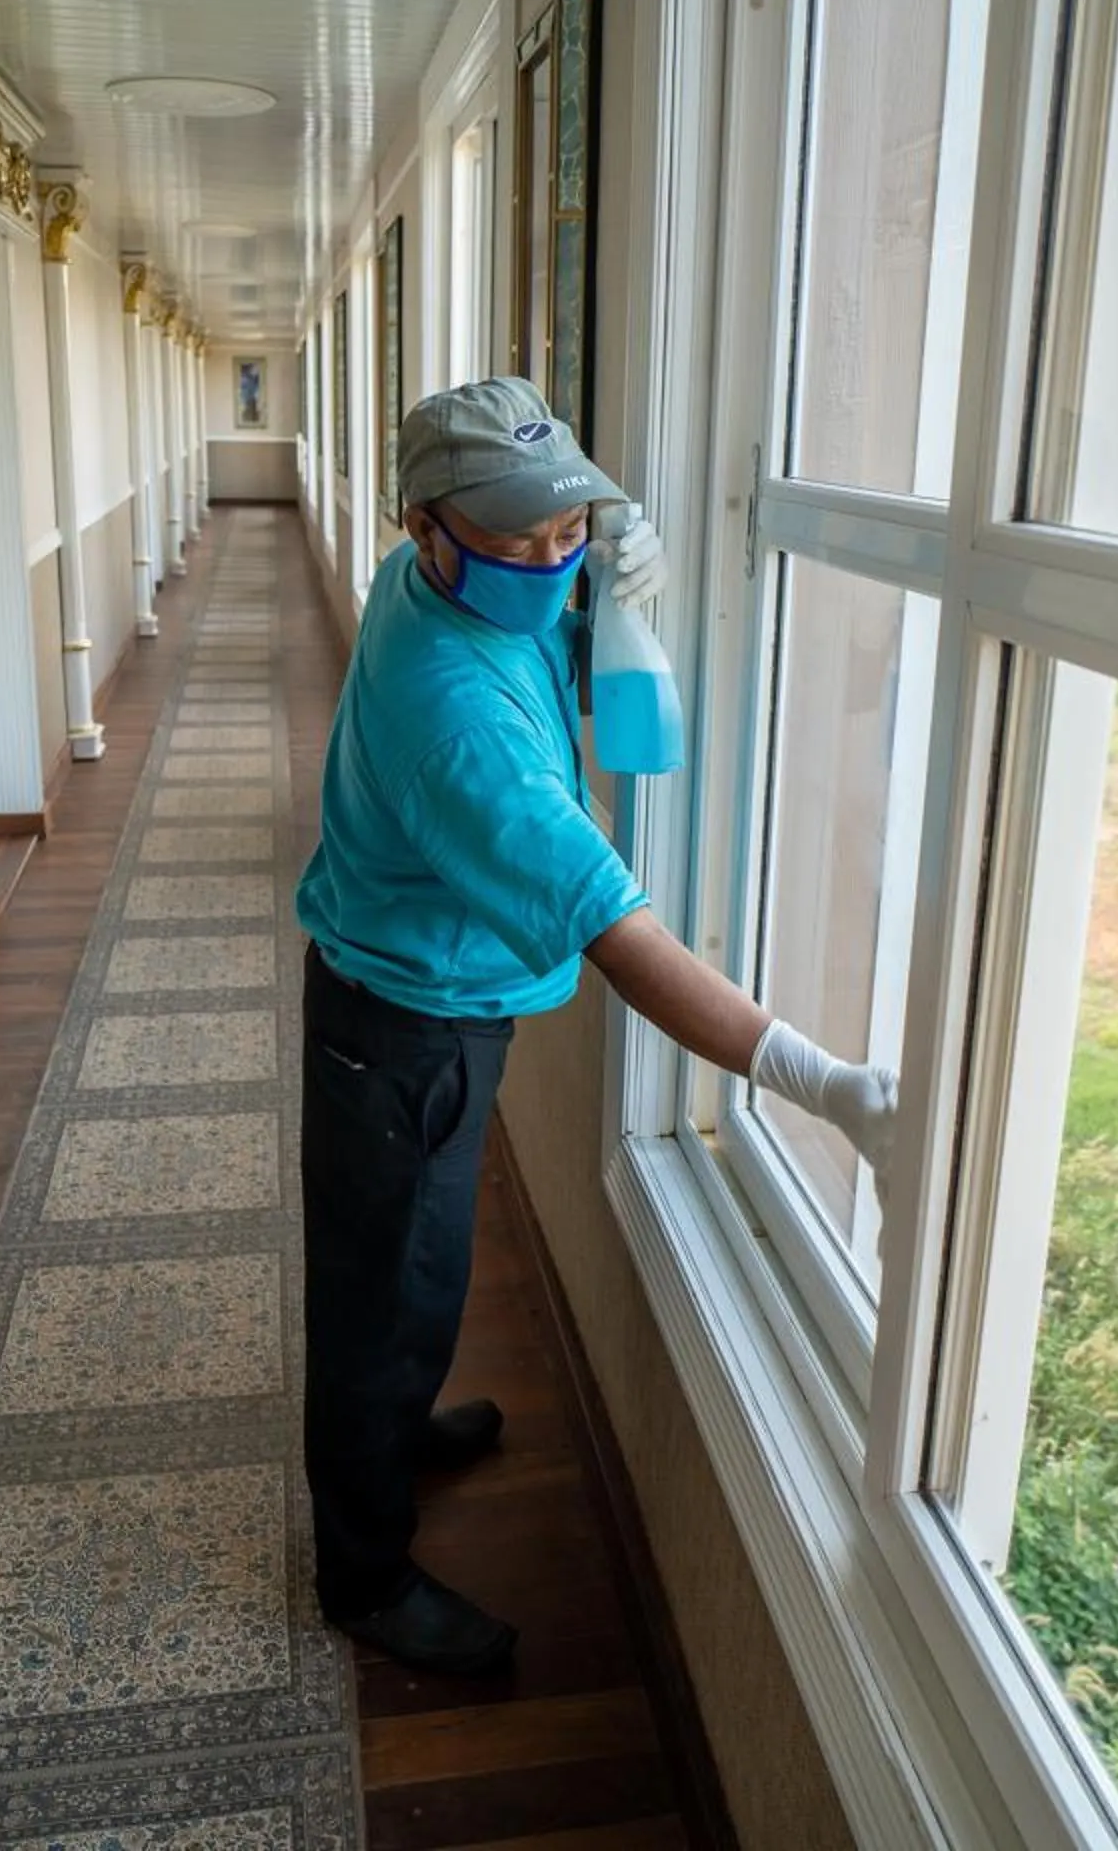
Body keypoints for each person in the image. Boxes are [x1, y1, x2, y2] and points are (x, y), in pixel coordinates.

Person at [295, 376, 899, 1674]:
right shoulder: (454, 726)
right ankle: (362, 1572)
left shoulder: (441, 583)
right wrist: (817, 1079)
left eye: (564, 525)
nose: (550, 558)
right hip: (400, 1033)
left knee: (415, 1277)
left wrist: (596, 605)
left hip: (423, 1004)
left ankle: (395, 1428)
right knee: (380, 1297)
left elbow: (545, 603)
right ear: (423, 526)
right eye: (515, 540)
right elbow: (621, 940)